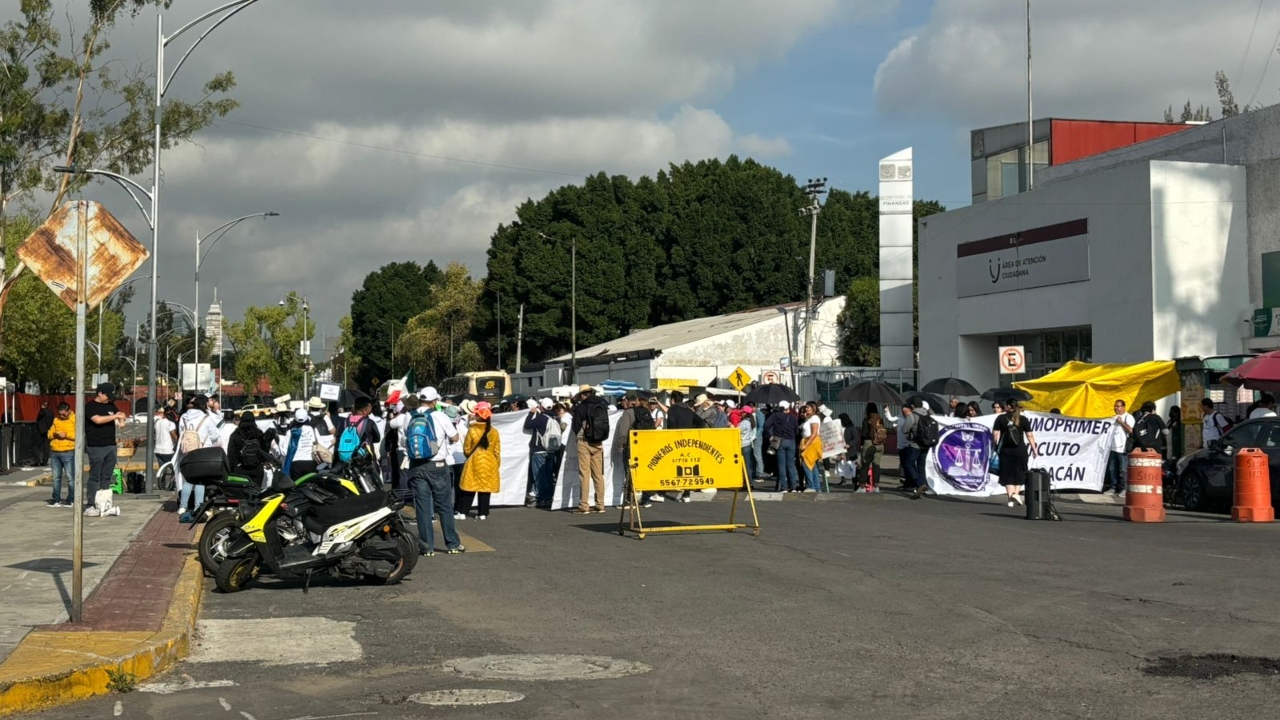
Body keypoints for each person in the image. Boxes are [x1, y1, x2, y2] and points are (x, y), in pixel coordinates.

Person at [406, 387, 464, 555]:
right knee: (444, 506)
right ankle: (452, 544)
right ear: (434, 401)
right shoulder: (440, 416)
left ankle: (427, 547)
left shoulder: (410, 416)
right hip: (437, 466)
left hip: (416, 466)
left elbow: (404, 440)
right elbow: (454, 437)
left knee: (423, 508)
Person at [176, 394, 221, 523]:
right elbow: (215, 435)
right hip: (203, 452)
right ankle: (198, 506)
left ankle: (183, 507)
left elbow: (181, 433)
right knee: (200, 481)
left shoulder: (183, 417)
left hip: (187, 451)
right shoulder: (206, 418)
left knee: (188, 480)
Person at [85, 383, 127, 514]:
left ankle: (104, 502)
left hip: (110, 445)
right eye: (107, 396)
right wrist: (115, 416)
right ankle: (90, 504)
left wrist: (122, 420)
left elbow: (121, 418)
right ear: (100, 393)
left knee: (107, 475)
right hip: (96, 445)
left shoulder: (111, 406)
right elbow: (97, 420)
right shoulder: (90, 406)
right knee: (95, 475)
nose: (108, 399)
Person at [570, 384, 611, 513]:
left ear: (582, 395)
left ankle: (584, 505)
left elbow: (575, 427)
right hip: (598, 442)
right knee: (598, 475)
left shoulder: (581, 407)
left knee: (585, 474)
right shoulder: (601, 405)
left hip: (584, 442)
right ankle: (600, 504)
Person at [457, 401, 501, 520]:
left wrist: (470, 456)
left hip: (474, 461)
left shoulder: (472, 430)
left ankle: (463, 512)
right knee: (485, 489)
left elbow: (466, 448)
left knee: (469, 487)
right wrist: (497, 463)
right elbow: (497, 450)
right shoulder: (494, 431)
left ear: (478, 416)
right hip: (490, 461)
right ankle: (483, 513)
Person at [991, 400, 1038, 508]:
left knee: (1008, 473)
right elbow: (1030, 435)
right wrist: (1034, 449)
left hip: (1005, 450)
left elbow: (995, 433)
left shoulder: (1001, 418)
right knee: (1020, 472)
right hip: (1020, 450)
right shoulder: (1023, 419)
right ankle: (1016, 494)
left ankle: (1010, 499)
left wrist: (995, 445)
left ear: (1007, 406)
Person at [523, 399, 557, 509]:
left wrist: (531, 413)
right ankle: (548, 498)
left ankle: (541, 498)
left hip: (539, 450)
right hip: (550, 450)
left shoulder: (541, 418)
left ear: (541, 407)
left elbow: (527, 425)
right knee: (548, 476)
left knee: (539, 476)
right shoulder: (554, 418)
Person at [227, 410, 273, 490]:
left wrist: (230, 471)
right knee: (256, 494)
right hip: (257, 470)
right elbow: (264, 453)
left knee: (242, 496)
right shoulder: (259, 434)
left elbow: (230, 455)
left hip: (240, 470)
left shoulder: (235, 435)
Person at [764, 400, 799, 492]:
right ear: (787, 408)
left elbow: (766, 425)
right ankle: (793, 486)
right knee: (791, 465)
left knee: (781, 465)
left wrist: (770, 436)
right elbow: (796, 432)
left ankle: (783, 486)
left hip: (779, 441)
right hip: (791, 441)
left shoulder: (775, 416)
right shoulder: (792, 418)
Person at [46, 403, 75, 507]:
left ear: (68, 411)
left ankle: (71, 499)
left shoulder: (74, 419)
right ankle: (56, 499)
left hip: (68, 450)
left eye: (64, 414)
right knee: (56, 478)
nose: (62, 416)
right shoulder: (56, 419)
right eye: (60, 414)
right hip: (55, 451)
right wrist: (54, 434)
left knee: (70, 477)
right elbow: (49, 433)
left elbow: (79, 434)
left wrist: (66, 435)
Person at [1106, 399, 1134, 497]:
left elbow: (1131, 430)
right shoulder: (1113, 417)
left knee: (1124, 469)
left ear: (1123, 407)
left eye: (1118, 406)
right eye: (1115, 406)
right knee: (1112, 468)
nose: (1116, 408)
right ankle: (1113, 487)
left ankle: (1125, 488)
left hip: (1122, 448)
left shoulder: (1128, 417)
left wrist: (1121, 422)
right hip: (1112, 447)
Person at [858, 403, 886, 489]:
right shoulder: (880, 419)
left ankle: (862, 487)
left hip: (869, 444)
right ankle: (876, 487)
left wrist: (861, 444)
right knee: (876, 465)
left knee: (865, 465)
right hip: (880, 445)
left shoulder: (867, 420)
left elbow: (863, 434)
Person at [799, 402, 824, 492]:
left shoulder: (814, 418)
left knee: (806, 464)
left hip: (811, 442)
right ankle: (816, 487)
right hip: (808, 441)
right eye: (806, 407)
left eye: (808, 407)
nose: (806, 409)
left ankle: (811, 485)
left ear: (813, 408)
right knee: (812, 465)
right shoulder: (809, 418)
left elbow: (814, 433)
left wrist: (806, 444)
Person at [895, 404, 917, 489]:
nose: (903, 412)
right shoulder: (901, 418)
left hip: (907, 444)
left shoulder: (910, 418)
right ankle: (908, 482)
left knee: (908, 464)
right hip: (900, 444)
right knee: (904, 464)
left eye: (905, 410)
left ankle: (911, 482)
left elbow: (908, 430)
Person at [737, 405, 758, 482]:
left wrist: (731, 426)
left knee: (745, 465)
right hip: (748, 444)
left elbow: (737, 431)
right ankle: (749, 481)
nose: (741, 414)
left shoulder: (744, 423)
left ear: (745, 413)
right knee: (748, 464)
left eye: (742, 412)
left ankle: (748, 482)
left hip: (743, 444)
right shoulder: (750, 422)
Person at [34, 401, 53, 466]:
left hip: (41, 431)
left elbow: (39, 417)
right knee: (46, 446)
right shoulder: (51, 412)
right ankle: (45, 461)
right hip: (48, 430)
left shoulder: (43, 412)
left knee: (35, 446)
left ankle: (37, 461)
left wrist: (42, 409)